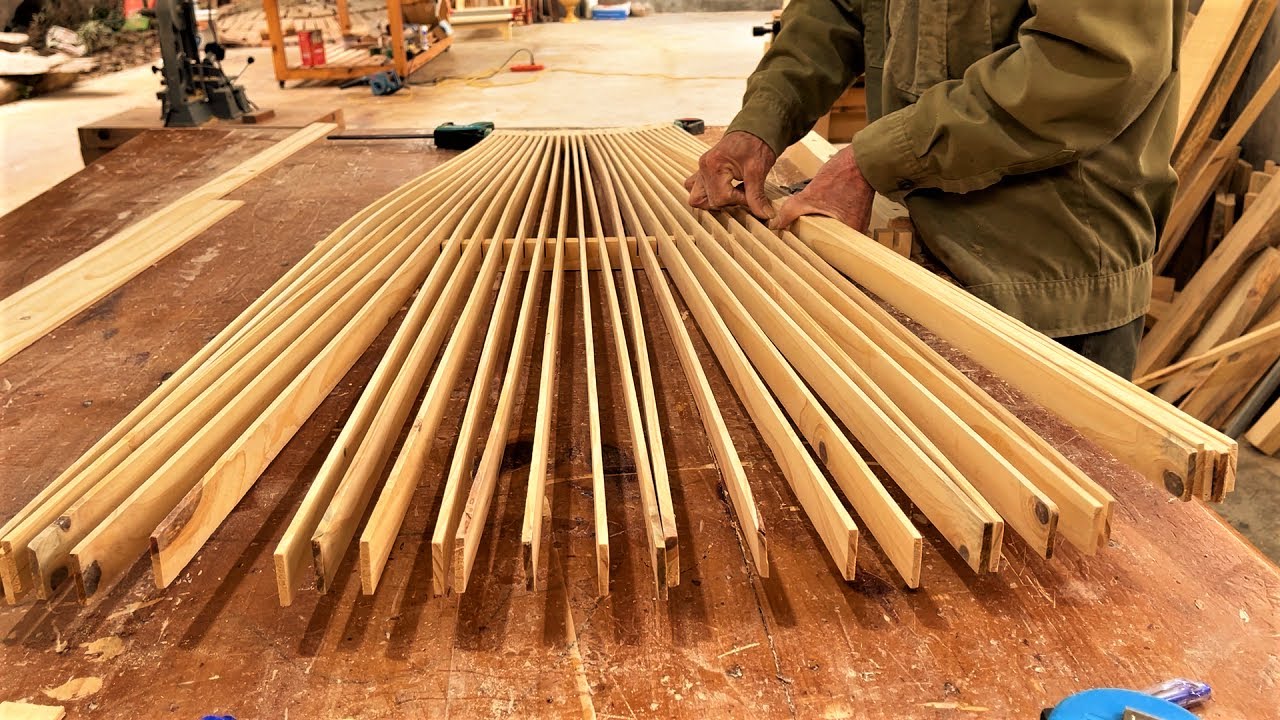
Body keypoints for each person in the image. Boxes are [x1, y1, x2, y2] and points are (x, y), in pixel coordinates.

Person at [684, 0, 1185, 379]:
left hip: (1047, 284)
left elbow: (1090, 64)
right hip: (911, 245)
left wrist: (874, 159)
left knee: (1049, 501)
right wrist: (764, 119)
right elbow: (835, 10)